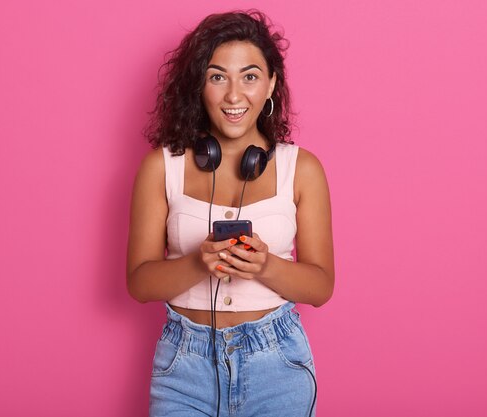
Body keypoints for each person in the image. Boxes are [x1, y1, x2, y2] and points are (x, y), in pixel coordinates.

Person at [127, 9, 334, 417]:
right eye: (217, 76)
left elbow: (321, 287)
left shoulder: (302, 168)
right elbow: (139, 283)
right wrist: (198, 262)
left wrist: (263, 265)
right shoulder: (161, 166)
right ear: (199, 85)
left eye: (250, 76)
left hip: (277, 365)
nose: (234, 96)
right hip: (184, 366)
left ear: (272, 82)